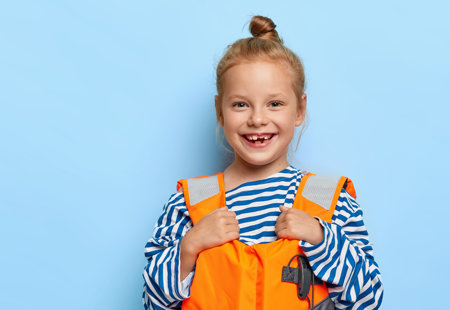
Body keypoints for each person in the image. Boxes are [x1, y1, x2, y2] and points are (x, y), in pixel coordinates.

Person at [142, 15, 383, 310]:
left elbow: (368, 299)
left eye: (275, 103)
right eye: (240, 104)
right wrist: (189, 247)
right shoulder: (189, 202)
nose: (257, 119)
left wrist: (321, 239)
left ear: (300, 110)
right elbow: (153, 303)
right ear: (220, 110)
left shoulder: (329, 200)